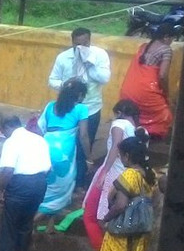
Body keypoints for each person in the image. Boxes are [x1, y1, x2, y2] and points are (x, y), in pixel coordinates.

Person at [85, 137, 159, 251]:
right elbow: (154, 202)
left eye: (120, 155)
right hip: (141, 230)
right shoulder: (150, 176)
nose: (120, 158)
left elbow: (120, 204)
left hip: (123, 231)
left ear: (127, 156)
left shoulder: (130, 176)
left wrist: (105, 218)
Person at [48, 27, 111, 190]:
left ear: (90, 41)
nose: (81, 47)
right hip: (69, 109)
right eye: (78, 45)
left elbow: (104, 78)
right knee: (68, 145)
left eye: (85, 44)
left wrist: (89, 64)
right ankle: (64, 180)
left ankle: (79, 182)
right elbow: (52, 80)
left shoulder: (99, 55)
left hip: (91, 108)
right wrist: (65, 84)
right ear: (72, 43)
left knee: (85, 143)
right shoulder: (63, 58)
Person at [0, 116, 52, 251]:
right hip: (40, 184)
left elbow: (7, 171)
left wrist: (0, 190)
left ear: (6, 128)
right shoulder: (39, 139)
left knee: (9, 226)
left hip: (20, 186)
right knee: (26, 225)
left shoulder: (11, 142)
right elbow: (48, 169)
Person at [82, 100, 139, 251]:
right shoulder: (137, 130)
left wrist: (104, 172)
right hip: (125, 174)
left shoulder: (119, 124)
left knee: (92, 216)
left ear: (119, 113)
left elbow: (115, 147)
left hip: (112, 173)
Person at [33, 78, 90, 232]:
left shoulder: (51, 106)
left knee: (49, 189)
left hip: (46, 149)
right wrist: (88, 155)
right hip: (64, 153)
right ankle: (30, 224)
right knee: (61, 190)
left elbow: (39, 129)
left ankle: (50, 226)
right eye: (83, 95)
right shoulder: (81, 109)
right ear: (78, 95)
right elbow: (84, 135)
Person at [120, 25, 174, 140]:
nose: (171, 42)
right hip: (146, 92)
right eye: (172, 39)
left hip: (128, 91)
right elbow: (163, 76)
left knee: (137, 114)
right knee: (165, 112)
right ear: (166, 37)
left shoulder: (144, 46)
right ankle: (152, 139)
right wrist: (166, 93)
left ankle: (137, 134)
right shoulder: (166, 49)